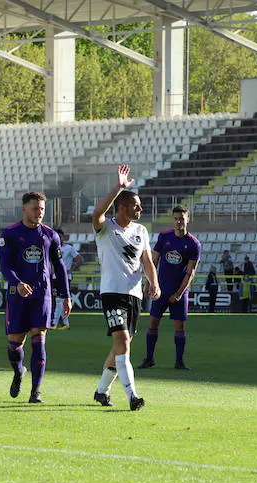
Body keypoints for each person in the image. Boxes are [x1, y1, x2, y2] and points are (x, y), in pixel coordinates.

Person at [91, 165, 160, 411]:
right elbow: (97, 212)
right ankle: (132, 396)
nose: (140, 209)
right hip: (112, 294)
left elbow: (147, 261)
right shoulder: (106, 228)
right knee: (125, 345)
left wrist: (154, 282)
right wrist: (118, 188)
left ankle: (101, 391)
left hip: (134, 295)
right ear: (122, 207)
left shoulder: (141, 231)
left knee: (120, 346)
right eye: (136, 205)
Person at [0, 192, 70, 404]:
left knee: (39, 342)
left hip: (43, 295)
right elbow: (5, 266)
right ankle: (19, 371)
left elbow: (60, 267)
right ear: (24, 209)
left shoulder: (50, 235)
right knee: (15, 345)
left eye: (41, 209)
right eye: (35, 208)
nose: (39, 213)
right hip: (17, 295)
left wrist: (65, 295)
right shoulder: (10, 234)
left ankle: (36, 391)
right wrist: (17, 283)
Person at [139, 205, 201, 370]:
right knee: (153, 322)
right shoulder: (164, 237)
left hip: (179, 290)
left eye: (181, 218)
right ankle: (149, 358)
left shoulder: (194, 244)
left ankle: (179, 361)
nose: (178, 221)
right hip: (161, 289)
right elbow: (153, 262)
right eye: (175, 218)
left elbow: (191, 272)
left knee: (179, 326)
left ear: (188, 219)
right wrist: (149, 283)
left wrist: (179, 293)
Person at [51, 228, 82, 329]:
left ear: (63, 237)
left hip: (65, 277)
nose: (59, 238)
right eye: (57, 236)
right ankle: (64, 322)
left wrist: (71, 269)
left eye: (60, 236)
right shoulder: (52, 248)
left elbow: (79, 259)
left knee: (61, 299)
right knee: (55, 299)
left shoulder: (68, 248)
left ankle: (55, 323)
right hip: (53, 277)